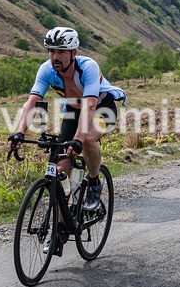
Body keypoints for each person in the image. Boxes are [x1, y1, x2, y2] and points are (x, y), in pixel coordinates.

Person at [8, 27, 126, 215]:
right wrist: (19, 132)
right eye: (51, 51)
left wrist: (78, 139)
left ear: (74, 53)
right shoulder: (46, 69)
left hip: (102, 109)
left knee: (87, 140)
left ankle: (94, 182)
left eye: (61, 51)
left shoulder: (88, 67)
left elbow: (90, 106)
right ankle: (61, 227)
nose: (55, 56)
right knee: (60, 169)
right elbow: (32, 102)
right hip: (73, 110)